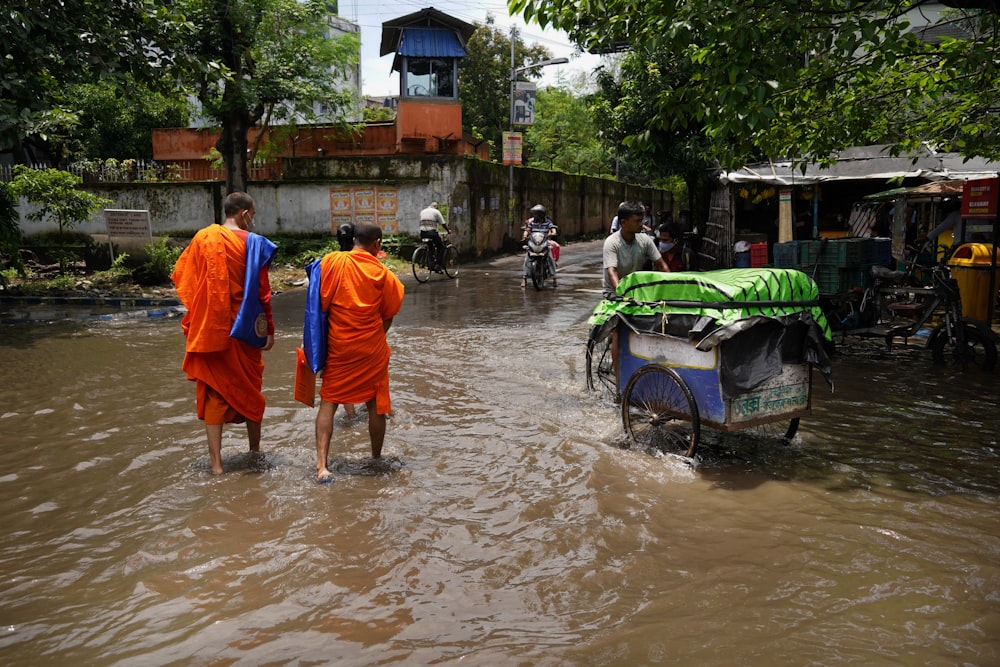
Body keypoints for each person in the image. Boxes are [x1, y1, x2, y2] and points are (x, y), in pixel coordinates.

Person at [171, 191, 277, 475]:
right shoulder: (254, 244)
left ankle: (216, 464)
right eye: (252, 216)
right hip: (245, 332)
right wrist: (269, 330)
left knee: (216, 394)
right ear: (244, 214)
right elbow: (262, 293)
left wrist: (203, 314)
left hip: (211, 329)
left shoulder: (202, 239)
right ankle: (255, 452)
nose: (252, 222)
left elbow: (185, 280)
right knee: (251, 390)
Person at [313, 221, 405, 483]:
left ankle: (322, 467)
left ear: (354, 239)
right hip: (371, 349)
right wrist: (373, 337)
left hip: (338, 347)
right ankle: (376, 460)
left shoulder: (332, 262)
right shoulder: (384, 274)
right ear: (377, 244)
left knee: (328, 402)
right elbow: (389, 314)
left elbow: (318, 304)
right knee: (376, 405)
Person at [603, 201, 669, 391]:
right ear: (623, 222)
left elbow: (661, 265)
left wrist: (672, 284)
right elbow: (612, 272)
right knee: (618, 333)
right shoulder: (612, 242)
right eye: (637, 220)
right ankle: (619, 386)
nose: (642, 224)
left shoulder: (645, 241)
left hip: (639, 293)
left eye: (642, 220)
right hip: (615, 294)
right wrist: (622, 294)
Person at [521, 203, 559, 288]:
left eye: (536, 214)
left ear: (541, 214)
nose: (535, 216)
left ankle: (554, 279)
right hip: (534, 243)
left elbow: (553, 229)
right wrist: (525, 235)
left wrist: (553, 233)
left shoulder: (548, 222)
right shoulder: (532, 222)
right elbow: (527, 229)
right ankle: (524, 279)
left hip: (544, 243)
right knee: (527, 258)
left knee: (550, 258)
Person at [418, 201, 450, 271]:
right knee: (441, 247)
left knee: (430, 246)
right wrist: (448, 231)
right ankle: (438, 265)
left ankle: (431, 262)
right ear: (436, 207)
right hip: (432, 233)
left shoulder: (422, 211)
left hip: (422, 233)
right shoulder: (436, 212)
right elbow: (443, 223)